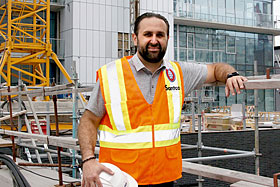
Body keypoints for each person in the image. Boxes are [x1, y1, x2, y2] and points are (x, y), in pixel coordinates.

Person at [78, 12, 247, 187]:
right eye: (147, 34)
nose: (154, 40)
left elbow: (215, 69)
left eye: (160, 35)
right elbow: (88, 121)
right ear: (135, 39)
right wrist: (88, 160)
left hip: (164, 178)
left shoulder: (179, 73)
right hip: (121, 179)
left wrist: (231, 75)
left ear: (167, 38)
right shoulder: (111, 74)